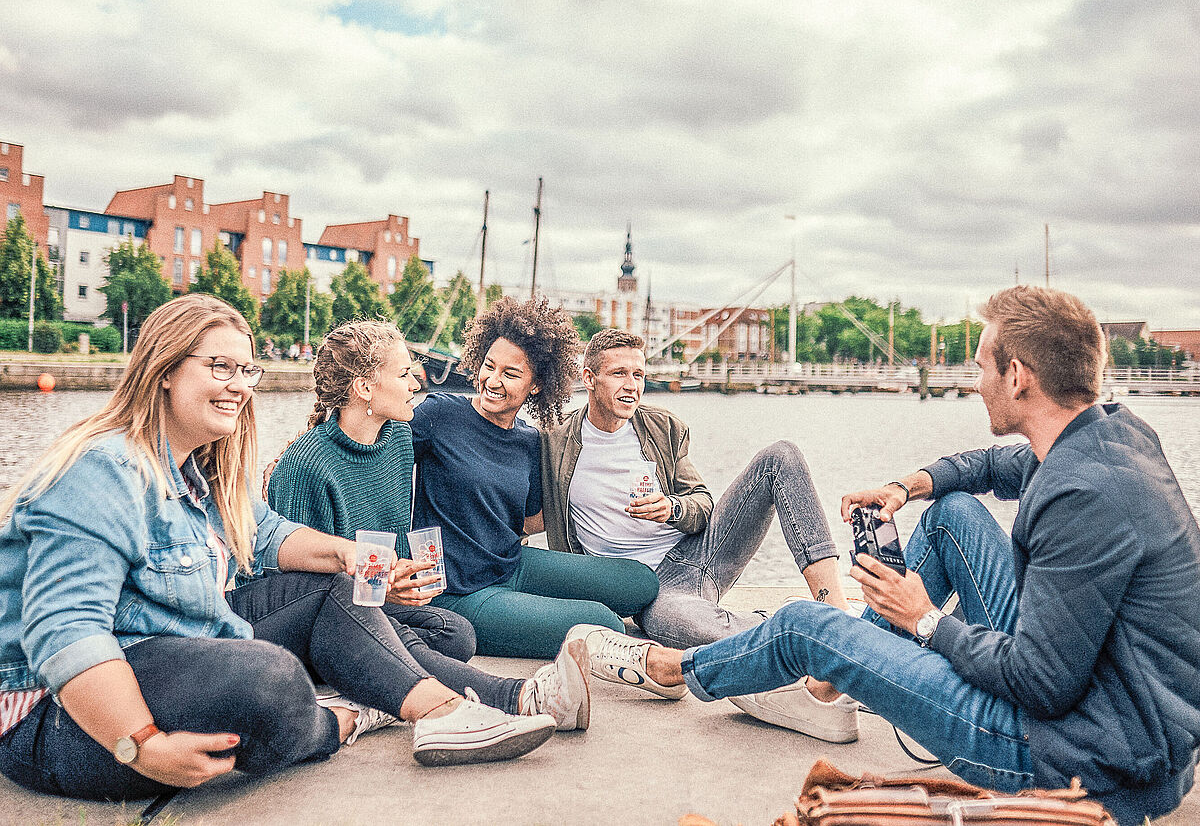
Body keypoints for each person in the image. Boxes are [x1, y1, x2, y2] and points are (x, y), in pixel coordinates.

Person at [624, 286, 1200, 826]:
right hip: (1122, 721)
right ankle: (834, 684)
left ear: (1018, 376)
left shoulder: (1081, 498)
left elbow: (1038, 684)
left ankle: (675, 668)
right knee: (951, 513)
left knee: (805, 626)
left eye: (980, 366)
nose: (974, 381)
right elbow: (994, 467)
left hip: (1081, 758)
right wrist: (905, 488)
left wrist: (923, 619)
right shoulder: (1113, 438)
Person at [0, 296, 561, 803]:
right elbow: (68, 631)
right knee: (272, 680)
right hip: (55, 715)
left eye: (246, 370)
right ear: (166, 370)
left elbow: (268, 535)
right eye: (218, 367)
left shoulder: (207, 467)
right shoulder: (104, 470)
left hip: (173, 647)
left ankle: (449, 711)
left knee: (338, 593)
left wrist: (348, 555)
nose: (239, 385)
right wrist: (140, 745)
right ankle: (346, 717)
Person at [266, 320, 590, 731]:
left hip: (373, 602)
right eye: (403, 374)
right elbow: (295, 588)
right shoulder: (306, 466)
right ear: (365, 388)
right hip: (317, 619)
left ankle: (374, 692)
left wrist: (398, 578)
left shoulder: (399, 441)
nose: (415, 384)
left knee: (456, 634)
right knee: (398, 639)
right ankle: (517, 697)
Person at [540, 329, 856, 728]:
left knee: (781, 456)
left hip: (700, 551)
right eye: (619, 374)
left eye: (638, 375)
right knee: (695, 632)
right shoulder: (555, 442)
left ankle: (835, 611)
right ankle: (801, 632)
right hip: (651, 589)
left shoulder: (663, 427)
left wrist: (671, 508)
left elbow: (703, 504)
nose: (632, 386)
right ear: (588, 378)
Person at [410, 297, 660, 660]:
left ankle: (521, 608)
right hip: (458, 591)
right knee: (604, 623)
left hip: (512, 564)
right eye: (488, 366)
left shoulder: (529, 439)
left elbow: (531, 520)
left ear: (537, 385)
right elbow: (378, 450)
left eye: (510, 374)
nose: (491, 381)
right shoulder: (440, 414)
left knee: (640, 582)